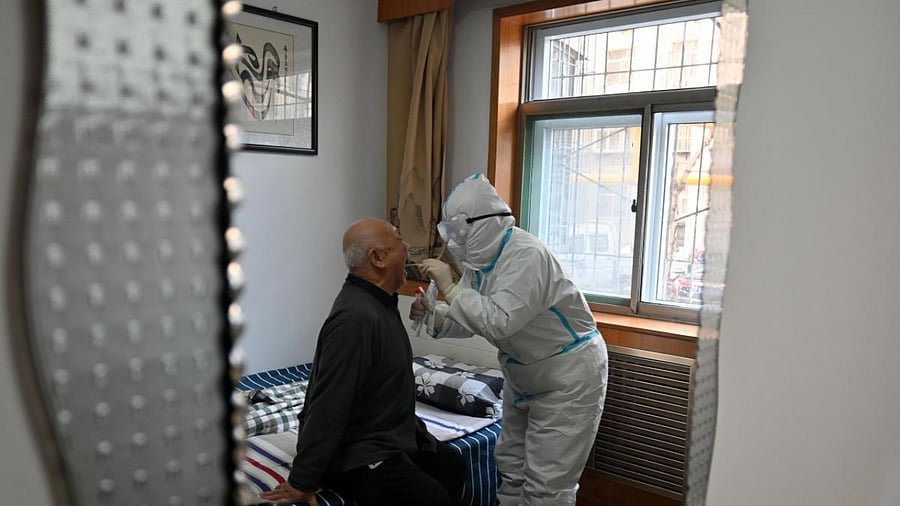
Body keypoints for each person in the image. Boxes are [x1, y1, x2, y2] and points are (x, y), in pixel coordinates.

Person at [411, 174, 609, 506]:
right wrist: (436, 313)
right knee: (512, 466)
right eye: (451, 233)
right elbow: (476, 317)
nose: (456, 241)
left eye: (460, 231)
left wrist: (450, 287)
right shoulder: (482, 262)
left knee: (547, 484)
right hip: (522, 373)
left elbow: (499, 321)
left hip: (568, 377)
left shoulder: (527, 255)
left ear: (485, 223)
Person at [261, 218, 465, 506]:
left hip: (386, 433)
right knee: (433, 499)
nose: (407, 247)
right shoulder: (355, 319)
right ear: (378, 258)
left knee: (452, 465)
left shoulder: (380, 302)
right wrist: (302, 480)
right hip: (356, 451)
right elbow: (328, 403)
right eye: (399, 240)